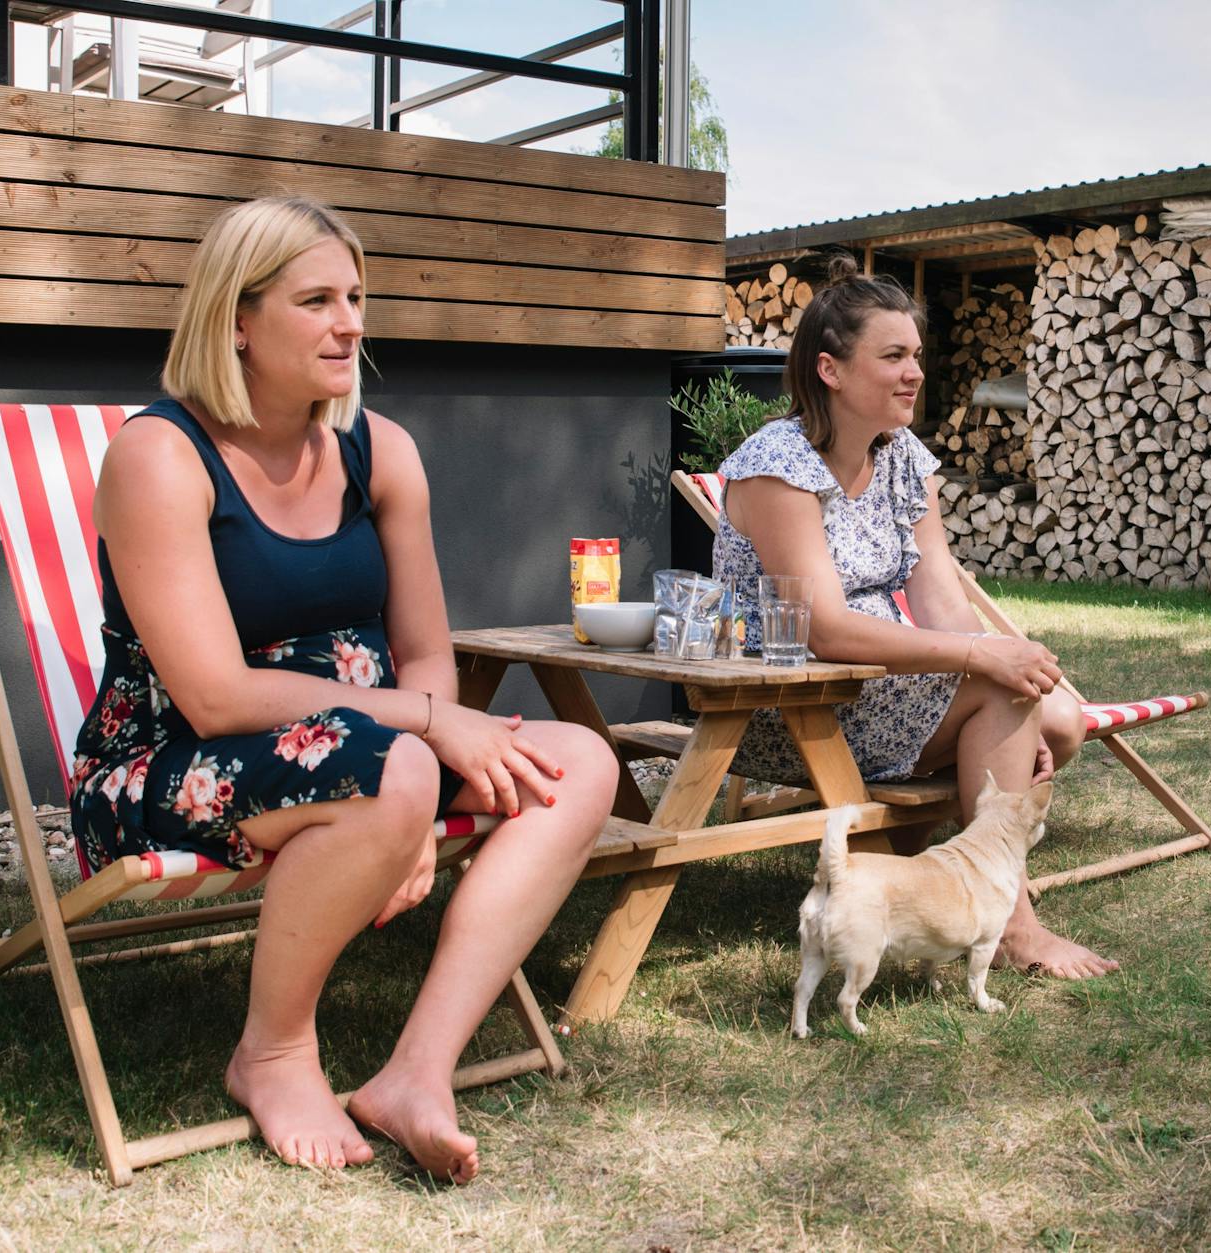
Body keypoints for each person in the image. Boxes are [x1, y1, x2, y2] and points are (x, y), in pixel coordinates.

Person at [67, 197, 618, 1182]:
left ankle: (417, 1072)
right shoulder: (159, 457)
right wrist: (423, 735)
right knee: (391, 769)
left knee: (578, 762)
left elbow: (426, 649)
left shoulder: (380, 450)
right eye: (316, 300)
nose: (350, 323)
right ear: (238, 318)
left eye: (356, 298)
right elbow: (217, 696)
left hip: (376, 756)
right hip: (172, 763)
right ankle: (272, 1052)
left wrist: (422, 756)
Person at [713, 254, 1116, 980]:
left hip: (876, 683)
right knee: (1005, 694)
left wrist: (1004, 667)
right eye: (894, 356)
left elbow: (942, 603)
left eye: (917, 356)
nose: (915, 373)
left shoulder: (902, 457)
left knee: (1058, 718)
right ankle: (1014, 927)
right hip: (792, 697)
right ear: (831, 370)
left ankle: (908, 865)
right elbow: (824, 628)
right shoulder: (778, 464)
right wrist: (986, 663)